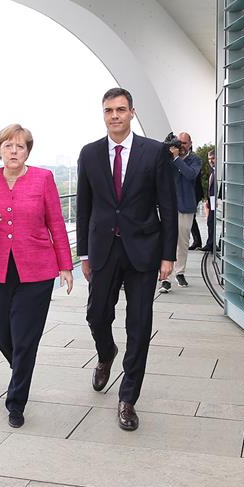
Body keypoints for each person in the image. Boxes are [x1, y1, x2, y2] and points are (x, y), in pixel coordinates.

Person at [76, 88, 177, 431]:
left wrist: (168, 254)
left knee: (139, 325)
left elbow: (167, 204)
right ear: (103, 114)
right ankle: (106, 354)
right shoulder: (89, 154)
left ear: (132, 112)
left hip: (143, 251)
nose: (115, 115)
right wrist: (84, 253)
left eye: (121, 109)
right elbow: (84, 207)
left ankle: (128, 399)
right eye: (108, 110)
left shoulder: (155, 152)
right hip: (103, 250)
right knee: (96, 315)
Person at [0, 124, 74, 429]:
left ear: (28, 151)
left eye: (20, 147)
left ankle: (16, 402)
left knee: (26, 340)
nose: (14, 151)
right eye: (8, 146)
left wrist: (65, 266)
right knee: (4, 337)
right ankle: (22, 371)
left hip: (37, 270)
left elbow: (55, 222)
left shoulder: (43, 178)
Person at [165, 131, 201, 289]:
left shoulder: (195, 159)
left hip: (186, 206)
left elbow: (190, 174)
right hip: (169, 205)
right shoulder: (169, 157)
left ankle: (179, 272)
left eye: (184, 143)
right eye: (179, 142)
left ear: (190, 144)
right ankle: (165, 277)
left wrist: (177, 159)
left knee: (183, 241)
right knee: (166, 241)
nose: (181, 146)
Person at [201, 149, 217, 253]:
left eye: (213, 158)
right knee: (210, 222)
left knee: (211, 222)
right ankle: (211, 243)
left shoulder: (219, 172)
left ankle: (211, 243)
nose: (211, 161)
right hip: (211, 201)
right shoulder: (212, 171)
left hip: (216, 201)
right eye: (209, 159)